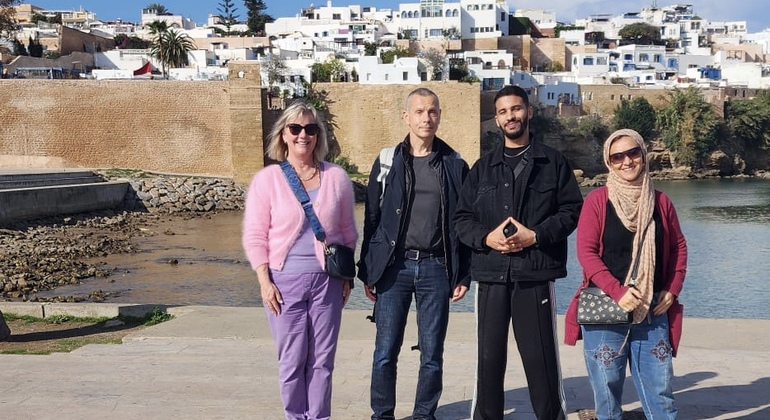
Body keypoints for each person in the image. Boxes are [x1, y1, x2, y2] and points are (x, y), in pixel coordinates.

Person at [453, 85, 583, 420]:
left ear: (529, 112)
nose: (510, 116)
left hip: (535, 275)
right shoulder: (482, 168)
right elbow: (461, 219)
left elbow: (571, 212)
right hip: (491, 275)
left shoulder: (553, 163)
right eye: (503, 111)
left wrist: (535, 236)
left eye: (516, 109)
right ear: (496, 119)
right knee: (489, 360)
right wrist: (487, 238)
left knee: (541, 361)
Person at [357, 87, 471, 420]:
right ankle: (383, 415)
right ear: (406, 117)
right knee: (384, 352)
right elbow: (373, 220)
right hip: (395, 268)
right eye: (419, 112)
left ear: (439, 115)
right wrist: (369, 270)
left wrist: (463, 274)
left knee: (432, 353)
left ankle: (424, 415)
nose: (427, 118)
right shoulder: (387, 161)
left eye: (432, 111)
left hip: (437, 268)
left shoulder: (454, 164)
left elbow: (462, 224)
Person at [241, 100, 358, 420]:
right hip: (283, 282)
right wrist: (264, 282)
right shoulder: (266, 180)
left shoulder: (337, 177)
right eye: (295, 128)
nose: (302, 135)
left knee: (322, 360)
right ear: (283, 135)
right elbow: (255, 236)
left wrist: (347, 279)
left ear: (318, 135)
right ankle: (295, 416)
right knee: (291, 360)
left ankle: (319, 417)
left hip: (327, 282)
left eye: (310, 128)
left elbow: (347, 232)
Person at [564, 129, 687, 420]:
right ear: (609, 162)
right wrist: (618, 292)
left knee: (661, 393)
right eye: (617, 156)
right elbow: (587, 254)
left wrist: (673, 288)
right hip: (606, 310)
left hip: (652, 310)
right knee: (607, 395)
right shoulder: (597, 201)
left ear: (644, 155)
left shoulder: (661, 201)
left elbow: (678, 246)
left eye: (633, 153)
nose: (626, 161)